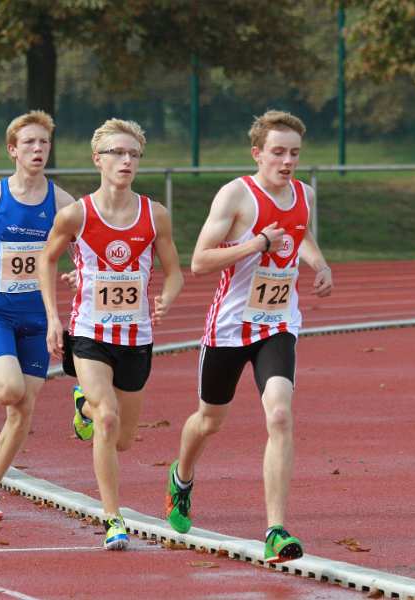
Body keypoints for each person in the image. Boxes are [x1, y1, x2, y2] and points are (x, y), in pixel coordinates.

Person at [163, 110, 333, 564]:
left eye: (294, 153)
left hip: (278, 324)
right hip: (229, 327)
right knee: (209, 420)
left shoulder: (304, 194)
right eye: (278, 152)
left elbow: (301, 234)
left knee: (279, 415)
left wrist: (319, 264)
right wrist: (257, 243)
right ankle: (181, 477)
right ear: (257, 153)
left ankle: (275, 530)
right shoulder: (236, 195)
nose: (287, 161)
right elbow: (199, 261)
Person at [38, 118, 184, 550]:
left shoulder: (155, 215)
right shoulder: (76, 215)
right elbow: (47, 260)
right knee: (107, 417)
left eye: (133, 154)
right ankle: (113, 518)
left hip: (136, 337)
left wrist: (167, 297)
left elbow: (175, 272)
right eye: (117, 153)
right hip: (89, 334)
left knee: (122, 439)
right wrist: (52, 317)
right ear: (97, 160)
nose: (126, 161)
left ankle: (81, 406)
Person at [0, 111, 76, 521]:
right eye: (29, 143)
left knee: (23, 407)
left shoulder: (62, 202)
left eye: (44, 142)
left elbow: (84, 248)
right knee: (9, 391)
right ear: (13, 150)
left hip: (39, 315)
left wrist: (79, 271)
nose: (38, 149)